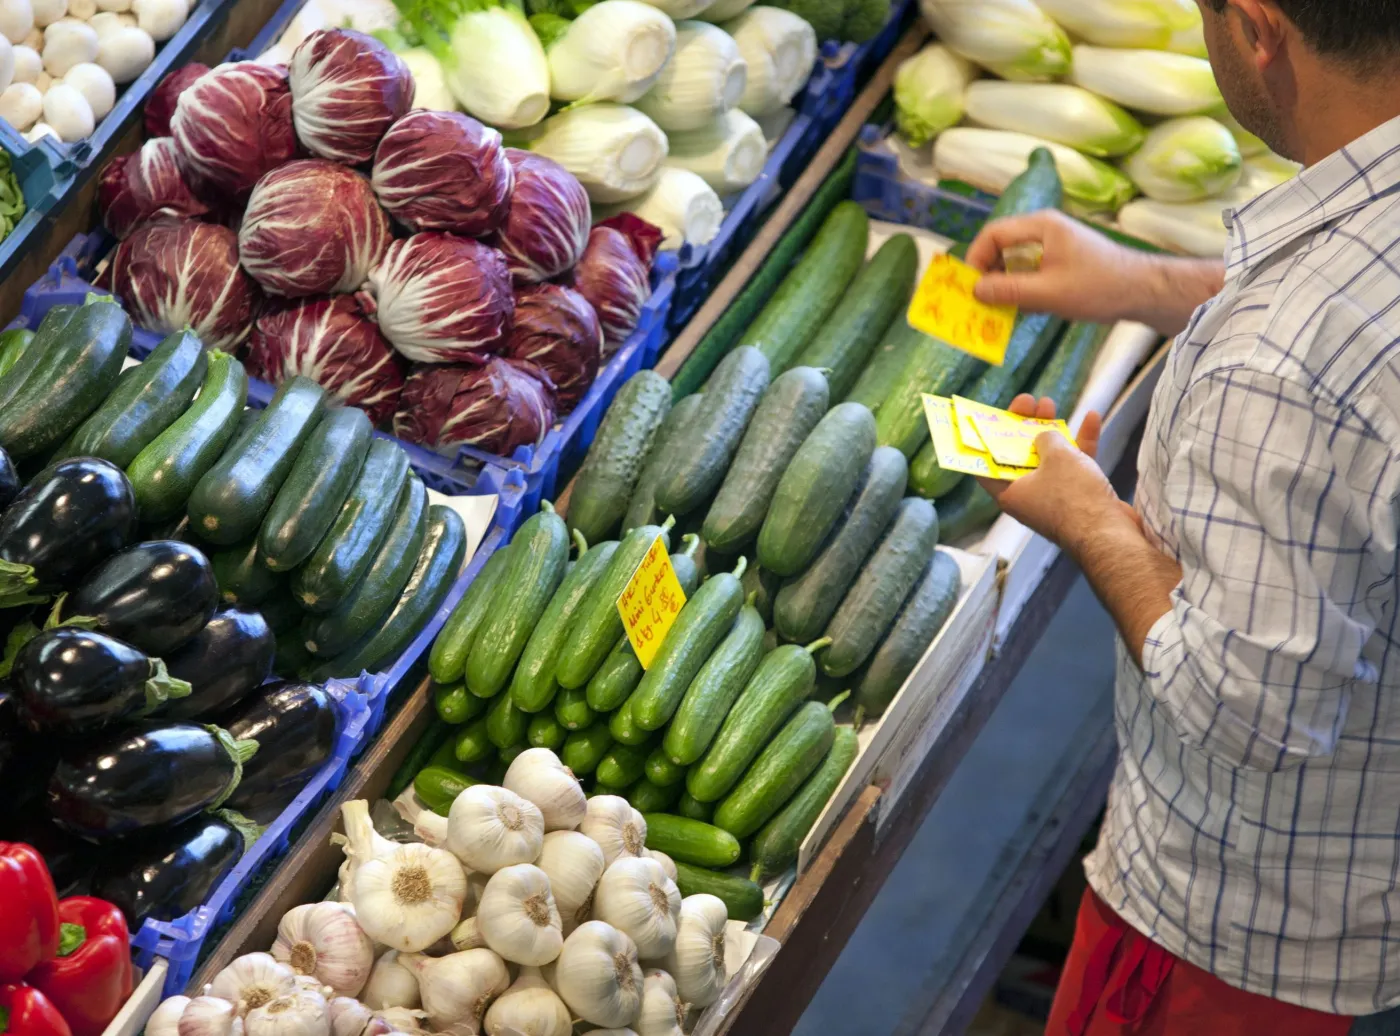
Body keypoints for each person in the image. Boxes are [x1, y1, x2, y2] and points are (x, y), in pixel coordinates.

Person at [962, 1, 1400, 1033]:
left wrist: (1088, 515)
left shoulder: (1282, 371)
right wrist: (1146, 282)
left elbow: (1247, 709)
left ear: (1256, 30)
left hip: (1248, 953)